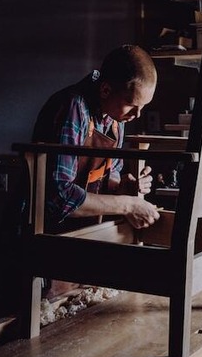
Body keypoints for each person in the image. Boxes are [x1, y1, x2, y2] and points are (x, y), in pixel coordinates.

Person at [32, 44, 160, 232]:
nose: (138, 114)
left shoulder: (116, 118)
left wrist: (124, 187)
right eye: (132, 105)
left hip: (83, 230)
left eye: (143, 106)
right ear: (106, 90)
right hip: (45, 231)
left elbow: (110, 176)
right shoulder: (73, 108)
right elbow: (59, 196)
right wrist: (128, 205)